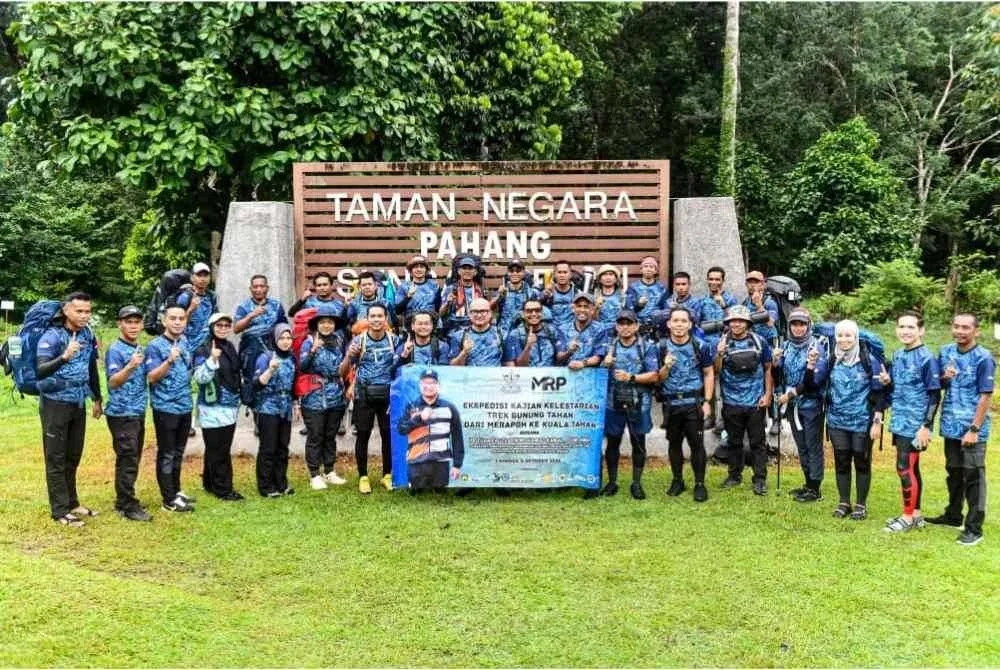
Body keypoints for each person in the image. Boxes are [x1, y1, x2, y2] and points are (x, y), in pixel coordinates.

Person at [35, 292, 103, 527]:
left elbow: (91, 367)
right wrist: (64, 356)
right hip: (54, 404)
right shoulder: (51, 336)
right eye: (79, 311)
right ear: (66, 311)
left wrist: (97, 397)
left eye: (87, 311)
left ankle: (72, 502)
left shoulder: (87, 333)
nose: (84, 316)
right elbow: (41, 370)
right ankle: (60, 510)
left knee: (73, 455)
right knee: (55, 457)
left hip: (78, 402)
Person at [928, 313, 994, 546]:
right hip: (950, 425)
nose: (960, 331)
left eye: (966, 327)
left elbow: (986, 396)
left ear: (976, 331)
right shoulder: (946, 352)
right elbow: (939, 384)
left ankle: (974, 528)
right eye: (956, 326)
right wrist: (945, 378)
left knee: (973, 475)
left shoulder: (983, 357)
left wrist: (974, 428)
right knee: (954, 472)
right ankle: (953, 514)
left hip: (972, 428)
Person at [881, 311, 941, 533]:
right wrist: (888, 381)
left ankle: (906, 518)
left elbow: (935, 395)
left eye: (911, 327)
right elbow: (898, 386)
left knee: (904, 468)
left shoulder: (927, 358)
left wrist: (925, 427)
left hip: (915, 425)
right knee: (912, 469)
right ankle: (915, 514)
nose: (905, 331)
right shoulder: (897, 355)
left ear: (921, 330)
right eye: (902, 327)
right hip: (899, 420)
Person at [593, 309, 659, 500]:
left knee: (638, 442)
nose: (625, 327)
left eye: (629, 323)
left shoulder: (646, 346)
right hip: (613, 400)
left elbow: (654, 375)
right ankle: (612, 482)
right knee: (613, 442)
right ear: (616, 326)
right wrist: (604, 364)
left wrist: (632, 377)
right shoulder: (608, 346)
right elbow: (597, 372)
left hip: (639, 401)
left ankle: (636, 483)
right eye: (621, 323)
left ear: (636, 326)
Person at [825, 320, 885, 521]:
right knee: (841, 461)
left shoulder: (869, 360)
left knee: (861, 461)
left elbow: (879, 392)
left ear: (856, 337)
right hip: (837, 421)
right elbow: (816, 383)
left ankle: (860, 504)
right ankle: (844, 502)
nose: (844, 340)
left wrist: (877, 420)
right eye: (840, 335)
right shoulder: (831, 358)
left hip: (862, 421)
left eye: (848, 335)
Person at [656, 307, 715, 502]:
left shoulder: (700, 345)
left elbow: (709, 373)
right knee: (674, 443)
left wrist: (707, 401)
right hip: (671, 403)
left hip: (693, 402)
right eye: (676, 320)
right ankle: (677, 480)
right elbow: (658, 378)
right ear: (669, 324)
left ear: (690, 324)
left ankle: (700, 484)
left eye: (683, 321)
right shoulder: (661, 347)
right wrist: (666, 366)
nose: (679, 324)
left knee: (697, 444)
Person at [339, 303, 399, 494]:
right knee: (362, 435)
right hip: (364, 395)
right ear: (367, 318)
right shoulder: (358, 341)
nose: (376, 320)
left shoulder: (394, 340)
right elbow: (342, 371)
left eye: (380, 316)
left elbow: (401, 366)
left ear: (385, 318)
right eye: (372, 316)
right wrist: (349, 357)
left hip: (388, 395)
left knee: (387, 436)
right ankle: (363, 477)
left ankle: (387, 475)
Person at [773, 307, 830, 502]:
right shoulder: (786, 346)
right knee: (802, 445)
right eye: (794, 324)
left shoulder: (817, 346)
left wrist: (791, 394)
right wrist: (776, 363)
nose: (798, 328)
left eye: (802, 324)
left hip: (811, 405)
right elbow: (780, 375)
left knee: (813, 446)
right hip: (792, 405)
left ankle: (815, 489)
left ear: (808, 326)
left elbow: (816, 380)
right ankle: (808, 484)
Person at [716, 305, 774, 495]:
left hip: (755, 402)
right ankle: (734, 475)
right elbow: (715, 371)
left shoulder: (760, 342)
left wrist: (767, 395)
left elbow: (768, 369)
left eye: (740, 320)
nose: (736, 324)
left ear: (748, 323)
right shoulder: (722, 342)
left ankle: (760, 479)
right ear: (728, 323)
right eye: (733, 320)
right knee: (734, 441)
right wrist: (719, 353)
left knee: (758, 442)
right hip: (731, 401)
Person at [145, 304, 196, 512]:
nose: (177, 322)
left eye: (181, 318)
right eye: (173, 318)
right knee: (167, 453)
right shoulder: (155, 346)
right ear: (164, 321)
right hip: (165, 407)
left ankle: (176, 491)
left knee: (178, 451)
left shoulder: (184, 341)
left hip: (184, 404)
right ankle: (168, 500)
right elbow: (151, 376)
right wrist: (168, 360)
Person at [103, 305, 151, 521]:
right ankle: (127, 505)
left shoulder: (139, 348)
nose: (133, 326)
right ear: (119, 324)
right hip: (122, 413)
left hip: (138, 411)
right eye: (128, 322)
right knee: (128, 458)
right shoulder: (115, 350)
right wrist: (131, 366)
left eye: (136, 322)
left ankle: (124, 498)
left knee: (132, 457)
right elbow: (113, 382)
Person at [192, 313, 244, 501]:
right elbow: (200, 378)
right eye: (219, 325)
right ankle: (223, 489)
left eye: (226, 325)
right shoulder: (203, 349)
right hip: (212, 407)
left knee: (219, 447)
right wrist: (212, 360)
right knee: (218, 449)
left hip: (229, 405)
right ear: (211, 326)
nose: (223, 328)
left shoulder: (229, 347)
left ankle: (209, 482)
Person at [298, 305, 350, 490]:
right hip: (314, 396)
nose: (327, 326)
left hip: (336, 394)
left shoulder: (339, 340)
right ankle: (314, 473)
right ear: (317, 324)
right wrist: (313, 350)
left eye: (330, 322)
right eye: (323, 322)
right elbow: (302, 366)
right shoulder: (309, 341)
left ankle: (329, 470)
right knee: (316, 435)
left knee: (330, 435)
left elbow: (345, 365)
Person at [396, 369, 464, 493]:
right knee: (417, 495)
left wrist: (457, 465)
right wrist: (419, 418)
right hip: (417, 463)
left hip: (440, 464)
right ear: (420, 386)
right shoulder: (411, 406)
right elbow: (401, 429)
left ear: (438, 386)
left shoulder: (449, 408)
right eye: (425, 383)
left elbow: (457, 437)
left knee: (440, 494)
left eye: (432, 383)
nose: (429, 386)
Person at [253, 323, 298, 498]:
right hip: (267, 407)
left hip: (285, 407)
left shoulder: (292, 358)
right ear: (275, 339)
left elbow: (293, 384)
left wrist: (295, 404)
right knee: (268, 448)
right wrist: (270, 370)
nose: (286, 342)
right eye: (282, 338)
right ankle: (265, 485)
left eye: (289, 338)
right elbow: (257, 384)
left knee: (282, 447)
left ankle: (281, 483)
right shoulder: (265, 357)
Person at [234, 274, 287, 407]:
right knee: (252, 382)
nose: (258, 289)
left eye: (261, 286)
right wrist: (251, 315)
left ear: (267, 288)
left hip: (271, 349)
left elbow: (283, 327)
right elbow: (236, 328)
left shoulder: (276, 305)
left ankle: (268, 411)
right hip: (250, 350)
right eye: (255, 286)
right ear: (250, 289)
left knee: (271, 378)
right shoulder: (243, 306)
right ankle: (255, 413)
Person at [699, 266, 737, 430]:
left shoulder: (731, 299)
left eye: (717, 279)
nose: (714, 282)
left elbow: (737, 323)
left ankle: (724, 418)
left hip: (726, 346)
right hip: (708, 347)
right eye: (711, 279)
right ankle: (710, 416)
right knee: (709, 383)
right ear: (707, 280)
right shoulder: (701, 301)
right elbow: (697, 325)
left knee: (726, 383)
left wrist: (724, 306)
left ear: (723, 281)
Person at [503, 299, 568, 367]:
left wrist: (569, 352)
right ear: (523, 314)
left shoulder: (553, 331)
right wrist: (528, 347)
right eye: (529, 311)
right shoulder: (514, 335)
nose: (534, 314)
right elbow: (516, 368)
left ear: (542, 313)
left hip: (550, 375)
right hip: (527, 376)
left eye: (537, 310)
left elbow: (560, 359)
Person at [492, 258, 541, 339]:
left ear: (523, 273)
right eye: (511, 271)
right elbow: (489, 308)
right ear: (508, 273)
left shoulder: (531, 292)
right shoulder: (502, 290)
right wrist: (499, 296)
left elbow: (542, 308)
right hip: (504, 332)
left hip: (525, 332)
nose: (515, 273)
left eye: (518, 271)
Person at [175, 262, 217, 355]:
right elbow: (177, 323)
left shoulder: (211, 296)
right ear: (192, 278)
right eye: (199, 275)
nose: (203, 279)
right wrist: (191, 309)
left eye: (205, 276)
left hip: (207, 344)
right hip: (188, 344)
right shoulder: (185, 297)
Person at [448, 298, 503, 367]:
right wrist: (464, 352)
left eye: (483, 311)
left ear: (490, 313)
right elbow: (452, 368)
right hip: (468, 376)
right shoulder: (459, 336)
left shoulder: (501, 334)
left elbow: (510, 366)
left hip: (493, 377)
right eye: (475, 311)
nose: (479, 315)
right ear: (469, 314)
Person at [439, 255, 485, 336]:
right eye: (464, 268)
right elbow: (440, 314)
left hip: (476, 328)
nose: (467, 271)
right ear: (459, 271)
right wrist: (448, 303)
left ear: (475, 272)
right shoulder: (450, 289)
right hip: (454, 330)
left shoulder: (480, 290)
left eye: (470, 268)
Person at [564, 293, 609, 371]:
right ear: (573, 309)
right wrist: (568, 352)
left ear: (592, 310)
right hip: (565, 374)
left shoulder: (600, 329)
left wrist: (583, 363)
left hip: (590, 374)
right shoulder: (563, 329)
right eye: (579, 306)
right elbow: (558, 357)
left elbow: (598, 356)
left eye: (586, 307)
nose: (582, 310)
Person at [625, 256, 666, 340]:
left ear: (655, 270)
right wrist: (639, 305)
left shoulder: (662, 289)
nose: (648, 269)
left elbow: (665, 309)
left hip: (656, 326)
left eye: (651, 267)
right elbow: (628, 309)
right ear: (641, 270)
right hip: (637, 326)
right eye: (645, 266)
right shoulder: (633, 288)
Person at [394, 256, 441, 327]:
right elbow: (397, 310)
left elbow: (438, 308)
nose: (419, 269)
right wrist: (408, 296)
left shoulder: (434, 285)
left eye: (421, 267)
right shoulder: (404, 287)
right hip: (411, 325)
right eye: (415, 267)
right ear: (411, 270)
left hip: (431, 324)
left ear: (426, 270)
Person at [540, 259, 577, 333]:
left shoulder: (577, 293)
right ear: (554, 274)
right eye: (559, 272)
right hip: (552, 331)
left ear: (570, 274)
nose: (562, 275)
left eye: (565, 272)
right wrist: (543, 297)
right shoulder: (547, 292)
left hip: (571, 331)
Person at [743, 271, 779, 345]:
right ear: (746, 285)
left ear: (762, 285)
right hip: (754, 341)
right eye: (750, 282)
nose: (752, 285)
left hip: (769, 340)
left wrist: (759, 306)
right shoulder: (746, 302)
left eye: (756, 282)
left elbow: (770, 323)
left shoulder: (770, 302)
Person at [592, 264, 625, 337]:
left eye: (611, 274)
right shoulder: (594, 297)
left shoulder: (623, 296)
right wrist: (596, 308)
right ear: (600, 279)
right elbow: (592, 320)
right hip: (599, 332)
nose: (608, 277)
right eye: (604, 274)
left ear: (616, 279)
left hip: (619, 332)